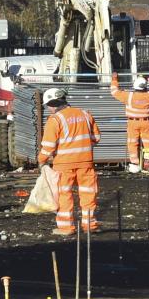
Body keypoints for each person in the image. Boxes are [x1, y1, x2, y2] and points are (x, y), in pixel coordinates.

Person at [37, 88, 100, 235]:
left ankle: (66, 228)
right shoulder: (85, 114)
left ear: (51, 105)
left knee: (64, 195)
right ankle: (90, 226)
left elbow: (48, 147)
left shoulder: (55, 120)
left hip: (63, 166)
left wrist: (41, 160)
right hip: (86, 163)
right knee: (88, 195)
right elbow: (96, 138)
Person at [108, 71, 149, 171]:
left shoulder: (129, 96)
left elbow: (114, 91)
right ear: (145, 86)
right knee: (148, 142)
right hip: (146, 122)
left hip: (133, 122)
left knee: (132, 142)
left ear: (135, 86)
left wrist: (114, 79)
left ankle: (134, 164)